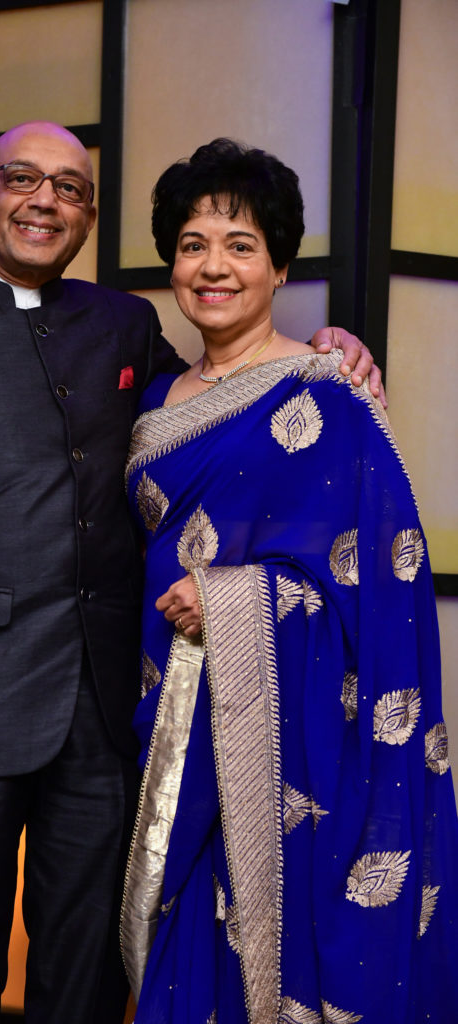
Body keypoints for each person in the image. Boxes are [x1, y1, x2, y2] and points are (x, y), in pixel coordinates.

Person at [0, 121, 377, 1024]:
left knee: (90, 971)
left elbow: (222, 405)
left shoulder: (122, 323)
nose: (45, 200)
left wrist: (335, 347)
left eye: (71, 188)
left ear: (88, 214)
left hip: (104, 711)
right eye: (21, 179)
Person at [120, 138, 458, 1023]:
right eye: (192, 244)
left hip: (289, 743)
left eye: (239, 245)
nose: (213, 267)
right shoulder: (153, 400)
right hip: (170, 726)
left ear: (277, 265)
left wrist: (234, 600)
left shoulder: (329, 394)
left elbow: (381, 587)